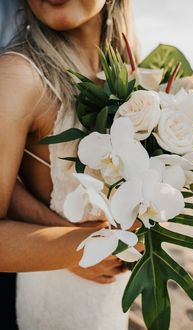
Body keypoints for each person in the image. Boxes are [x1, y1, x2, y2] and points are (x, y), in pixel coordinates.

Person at [0, 0, 138, 329]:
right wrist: (83, 249)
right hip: (49, 300)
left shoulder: (133, 73)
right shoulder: (18, 76)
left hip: (109, 304)